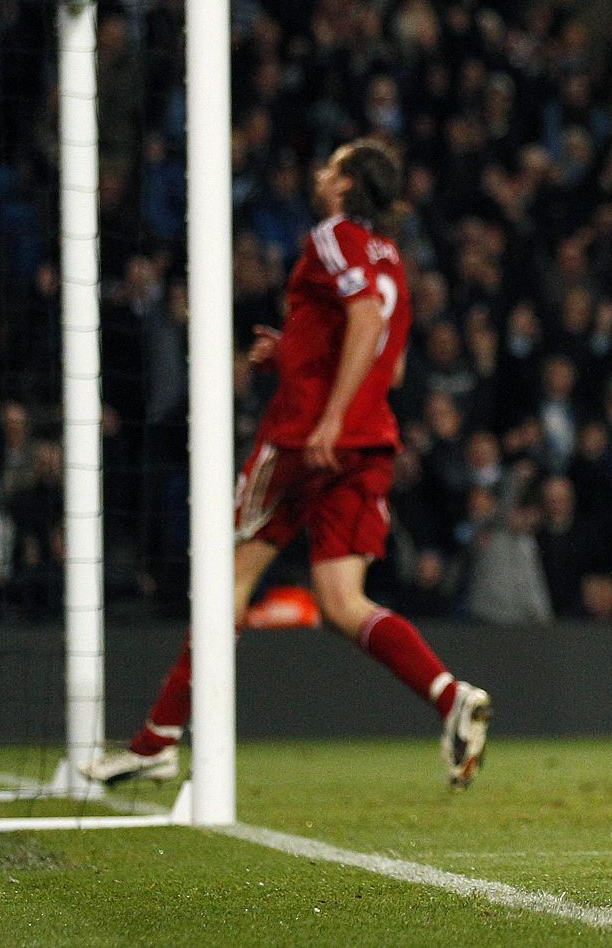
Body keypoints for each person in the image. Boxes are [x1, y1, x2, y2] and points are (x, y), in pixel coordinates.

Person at [84, 139, 493, 789]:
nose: (320, 173)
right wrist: (299, 352)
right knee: (341, 601)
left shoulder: (334, 236)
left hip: (306, 439)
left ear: (348, 185)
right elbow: (394, 356)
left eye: (331, 167)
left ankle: (157, 739)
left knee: (227, 583)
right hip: (367, 445)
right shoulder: (393, 258)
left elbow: (361, 319)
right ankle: (451, 697)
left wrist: (326, 412)